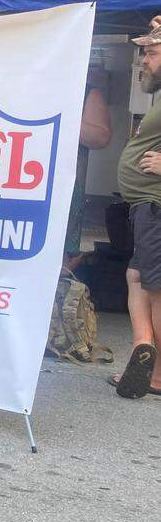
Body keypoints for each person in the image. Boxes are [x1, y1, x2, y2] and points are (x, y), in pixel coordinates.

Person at [110, 24, 161, 399]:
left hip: (156, 206)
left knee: (156, 288)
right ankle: (143, 348)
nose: (144, 60)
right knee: (135, 276)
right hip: (145, 206)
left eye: (152, 53)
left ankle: (157, 375)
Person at [64, 74, 111, 271]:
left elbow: (101, 137)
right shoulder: (19, 86)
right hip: (14, 185)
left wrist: (60, 116)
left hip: (64, 191)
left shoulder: (86, 92)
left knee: (59, 258)